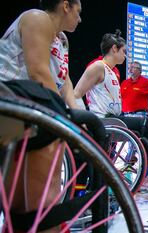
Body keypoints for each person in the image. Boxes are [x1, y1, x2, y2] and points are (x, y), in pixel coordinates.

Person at [0, 0, 82, 229]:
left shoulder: (62, 40)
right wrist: (64, 120)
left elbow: (64, 81)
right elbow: (38, 72)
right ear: (66, 5)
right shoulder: (36, 17)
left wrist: (76, 114)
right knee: (34, 200)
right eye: (78, 11)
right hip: (9, 104)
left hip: (30, 110)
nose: (80, 18)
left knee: (25, 201)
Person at [74, 30, 148, 144]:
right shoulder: (98, 66)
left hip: (115, 118)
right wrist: (84, 120)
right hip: (104, 119)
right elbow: (76, 94)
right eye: (123, 51)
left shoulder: (113, 72)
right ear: (114, 48)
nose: (125, 56)